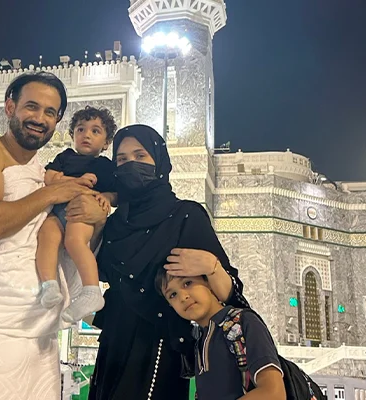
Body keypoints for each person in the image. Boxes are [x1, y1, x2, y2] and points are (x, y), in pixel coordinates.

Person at [0, 71, 108, 400]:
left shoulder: (42, 174)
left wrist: (97, 218)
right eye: (32, 107)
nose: (40, 119)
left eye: (50, 113)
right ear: (10, 107)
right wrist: (52, 195)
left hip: (37, 326)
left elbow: (68, 243)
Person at [71, 124, 250, 400]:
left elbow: (232, 295)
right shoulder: (114, 225)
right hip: (114, 346)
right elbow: (99, 276)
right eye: (122, 159)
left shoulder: (185, 216)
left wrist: (211, 266)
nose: (131, 164)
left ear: (159, 161)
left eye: (140, 156)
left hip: (161, 349)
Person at [37, 106, 118, 323]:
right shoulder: (65, 157)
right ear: (73, 135)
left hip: (82, 212)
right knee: (47, 234)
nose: (86, 135)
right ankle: (49, 285)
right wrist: (72, 182)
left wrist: (107, 198)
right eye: (81, 129)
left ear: (106, 143)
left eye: (95, 131)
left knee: (75, 242)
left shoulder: (104, 166)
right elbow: (49, 176)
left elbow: (117, 193)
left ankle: (92, 292)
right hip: (58, 209)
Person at [155, 270, 286, 400]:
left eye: (188, 283)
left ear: (209, 282)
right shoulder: (199, 342)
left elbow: (273, 393)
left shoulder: (242, 321)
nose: (183, 297)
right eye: (172, 295)